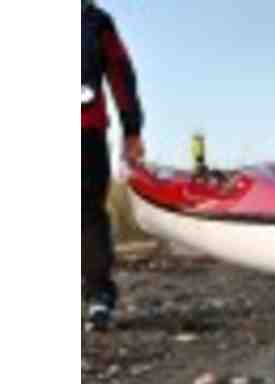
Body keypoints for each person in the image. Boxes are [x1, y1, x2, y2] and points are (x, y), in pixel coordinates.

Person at [82, 0, 145, 330]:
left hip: (85, 132)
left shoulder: (96, 21)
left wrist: (132, 130)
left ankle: (98, 297)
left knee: (88, 213)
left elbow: (120, 73)